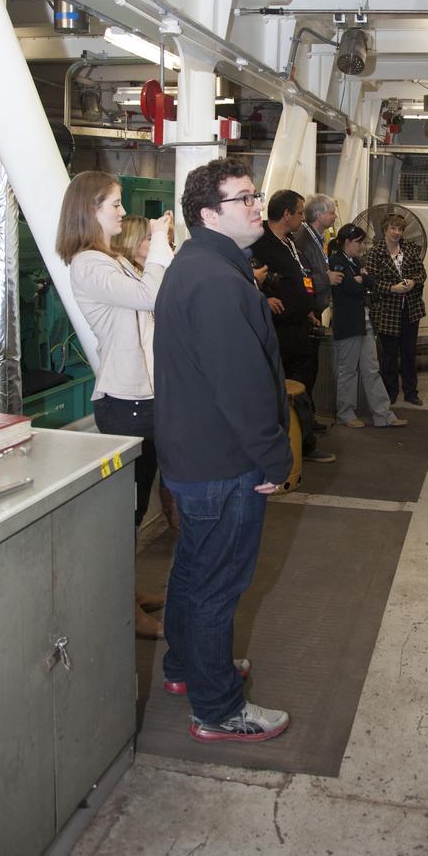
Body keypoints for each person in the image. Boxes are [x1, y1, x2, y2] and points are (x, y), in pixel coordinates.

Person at [153, 159, 292, 744]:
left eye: (256, 195)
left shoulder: (201, 266)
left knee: (193, 571)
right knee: (217, 588)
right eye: (244, 198)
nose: (257, 206)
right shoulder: (215, 280)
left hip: (198, 455)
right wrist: (276, 456)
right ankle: (217, 709)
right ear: (209, 214)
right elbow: (242, 385)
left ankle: (187, 666)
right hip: (223, 462)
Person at [56, 173, 174, 640]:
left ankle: (128, 589)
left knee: (138, 506)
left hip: (144, 397)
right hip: (126, 403)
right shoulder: (88, 264)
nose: (123, 212)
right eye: (115, 204)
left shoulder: (112, 260)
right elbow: (151, 295)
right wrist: (160, 241)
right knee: (127, 512)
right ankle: (120, 604)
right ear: (90, 210)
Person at [251, 189, 335, 463]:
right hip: (278, 330)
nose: (303, 217)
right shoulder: (259, 243)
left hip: (300, 324)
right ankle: (285, 447)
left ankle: (303, 442)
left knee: (304, 383)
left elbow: (300, 279)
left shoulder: (290, 242)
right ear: (286, 215)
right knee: (281, 389)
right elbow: (242, 278)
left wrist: (308, 309)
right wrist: (262, 298)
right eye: (299, 213)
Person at [112, 216, 179, 535]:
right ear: (132, 242)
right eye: (152, 239)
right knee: (135, 487)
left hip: (158, 391)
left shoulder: (145, 279)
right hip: (133, 397)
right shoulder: (126, 283)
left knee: (154, 471)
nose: (160, 246)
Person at [329, 223, 408, 429]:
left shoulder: (355, 262)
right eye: (359, 242)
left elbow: (371, 281)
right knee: (348, 371)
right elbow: (351, 288)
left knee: (372, 369)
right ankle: (346, 413)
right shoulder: (336, 261)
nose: (362, 246)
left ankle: (383, 414)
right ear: (347, 242)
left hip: (364, 321)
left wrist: (362, 278)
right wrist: (363, 281)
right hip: (349, 323)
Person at [365, 213, 426, 405]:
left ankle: (411, 392)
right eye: (393, 228)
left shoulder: (409, 248)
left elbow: (421, 273)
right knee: (389, 355)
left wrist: (413, 282)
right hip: (386, 312)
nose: (396, 232)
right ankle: (390, 393)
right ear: (385, 229)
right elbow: (371, 282)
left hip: (411, 309)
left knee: (409, 353)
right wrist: (392, 288)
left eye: (400, 229)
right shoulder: (375, 253)